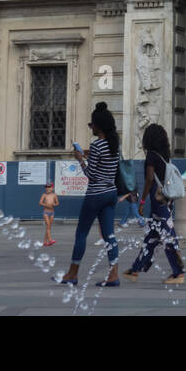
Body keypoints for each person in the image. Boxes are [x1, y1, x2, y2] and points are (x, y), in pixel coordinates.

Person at [56, 102, 121, 287]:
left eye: (91, 125)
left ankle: (72, 273)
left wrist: (79, 160)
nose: (90, 127)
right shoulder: (114, 144)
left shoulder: (97, 145)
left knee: (82, 233)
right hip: (111, 192)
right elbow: (105, 164)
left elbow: (91, 175)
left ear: (98, 125)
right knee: (109, 235)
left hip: (96, 194)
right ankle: (113, 274)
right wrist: (88, 154)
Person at [124, 124, 185, 284]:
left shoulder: (151, 155)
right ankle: (135, 269)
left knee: (166, 235)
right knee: (153, 235)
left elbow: (150, 180)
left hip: (158, 201)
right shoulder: (164, 156)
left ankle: (178, 273)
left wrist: (142, 201)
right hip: (166, 200)